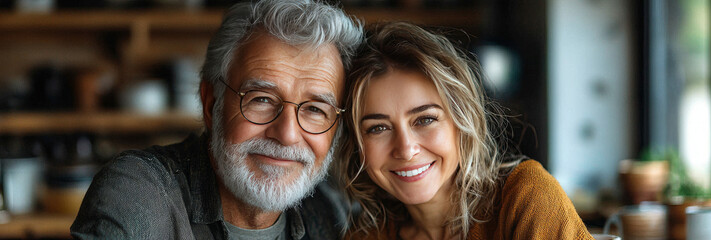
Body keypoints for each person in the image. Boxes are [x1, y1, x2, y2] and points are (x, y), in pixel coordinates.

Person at [71, 1, 362, 239]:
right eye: (261, 99)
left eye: (314, 109)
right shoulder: (139, 195)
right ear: (212, 104)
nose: (287, 134)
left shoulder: (330, 211)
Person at [337, 22, 593, 239]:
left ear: (462, 120)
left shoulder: (526, 198)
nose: (405, 149)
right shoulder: (366, 235)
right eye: (378, 128)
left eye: (425, 119)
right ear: (357, 144)